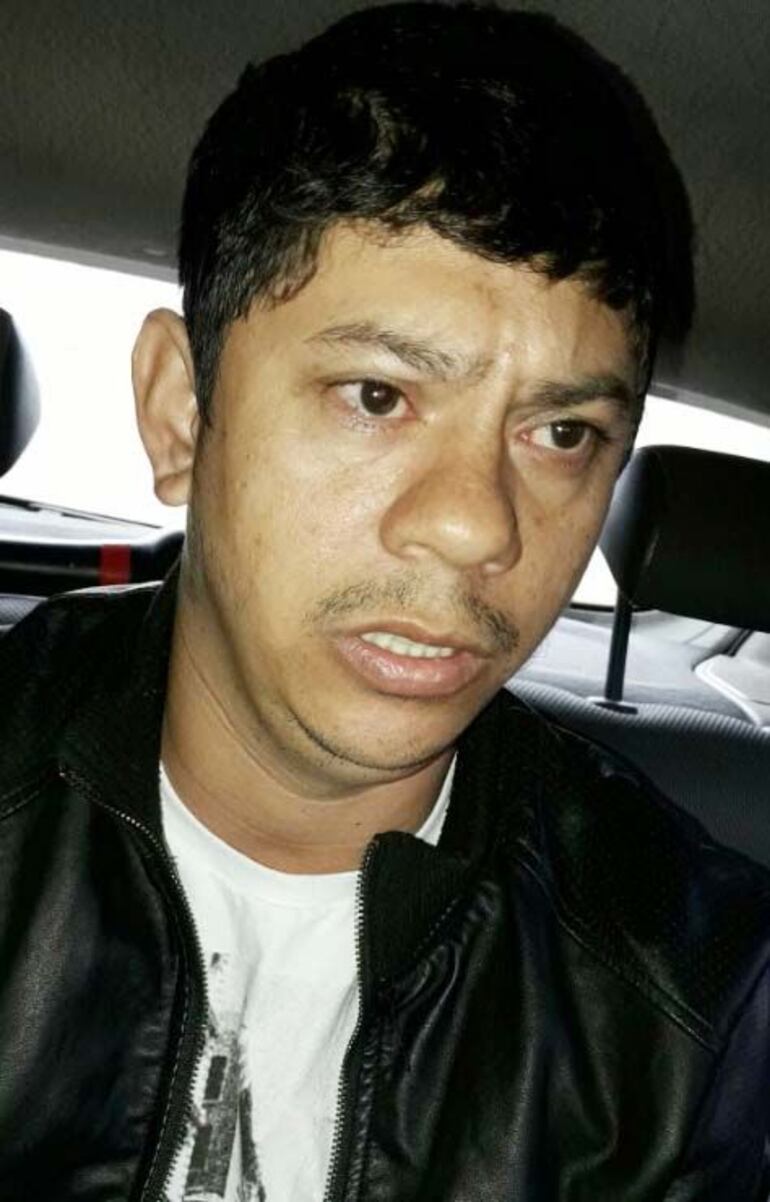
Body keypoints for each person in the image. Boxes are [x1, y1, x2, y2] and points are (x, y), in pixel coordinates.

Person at [1, 3, 768, 1199]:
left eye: (562, 432)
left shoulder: (691, 1008)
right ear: (180, 412)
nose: (476, 525)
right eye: (375, 395)